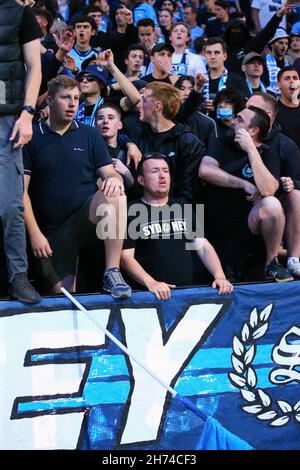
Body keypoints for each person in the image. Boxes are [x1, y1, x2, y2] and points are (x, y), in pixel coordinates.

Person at [23, 75, 132, 299]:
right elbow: (20, 193)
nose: (73, 103)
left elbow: (109, 173)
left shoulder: (90, 134)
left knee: (115, 194)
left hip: (84, 218)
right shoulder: (32, 136)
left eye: (76, 98)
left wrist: (114, 179)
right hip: (50, 232)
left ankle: (112, 272)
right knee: (65, 299)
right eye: (66, 98)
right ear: (50, 100)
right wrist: (35, 234)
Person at [198, 106, 293, 282]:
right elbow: (205, 170)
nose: (233, 121)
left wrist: (251, 150)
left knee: (271, 204)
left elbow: (268, 190)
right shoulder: (222, 142)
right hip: (217, 227)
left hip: (249, 228)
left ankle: (272, 263)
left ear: (253, 131)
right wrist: (243, 184)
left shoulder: (267, 152)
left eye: (240, 120)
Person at [121, 154, 233, 299]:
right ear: (141, 180)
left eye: (165, 171)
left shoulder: (182, 207)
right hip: (148, 296)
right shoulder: (130, 212)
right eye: (155, 171)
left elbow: (202, 246)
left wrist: (220, 276)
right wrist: (151, 283)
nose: (162, 176)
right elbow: (125, 257)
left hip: (186, 295)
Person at [0, 0, 42, 304]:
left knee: (10, 207)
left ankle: (18, 277)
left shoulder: (20, 13)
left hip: (6, 119)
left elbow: (35, 66)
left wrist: (27, 113)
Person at [247, 91, 300, 276]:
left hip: (276, 215)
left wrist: (290, 183)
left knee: (293, 194)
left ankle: (293, 259)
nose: (245, 112)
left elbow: (274, 188)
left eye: (251, 109)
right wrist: (241, 183)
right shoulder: (235, 137)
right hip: (242, 214)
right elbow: (206, 168)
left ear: (267, 115)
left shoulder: (286, 145)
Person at [134, 82, 205, 203]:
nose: (138, 105)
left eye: (143, 100)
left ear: (157, 107)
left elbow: (189, 191)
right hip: (143, 211)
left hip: (179, 215)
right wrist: (129, 144)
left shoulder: (188, 142)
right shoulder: (140, 137)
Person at [201, 37, 248, 115]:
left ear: (225, 56)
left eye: (216, 52)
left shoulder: (236, 80)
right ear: (205, 56)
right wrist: (201, 106)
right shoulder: (199, 81)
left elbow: (245, 106)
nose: (212, 57)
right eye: (209, 53)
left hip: (230, 125)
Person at [276, 66, 300, 150]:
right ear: (279, 85)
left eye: (295, 78)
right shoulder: (274, 111)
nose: (292, 81)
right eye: (287, 78)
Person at [265, 27, 290, 95]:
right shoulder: (263, 62)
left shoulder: (289, 65)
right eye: (281, 43)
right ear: (272, 44)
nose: (284, 46)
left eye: (286, 43)